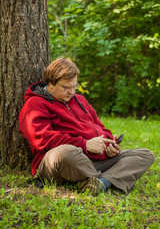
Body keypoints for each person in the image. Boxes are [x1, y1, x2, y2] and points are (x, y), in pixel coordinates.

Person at [19, 57, 155, 194]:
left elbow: (101, 127)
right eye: (66, 87)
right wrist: (85, 144)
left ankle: (101, 183)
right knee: (65, 153)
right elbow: (42, 139)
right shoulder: (35, 104)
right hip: (63, 162)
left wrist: (110, 145)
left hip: (94, 160)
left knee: (145, 155)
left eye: (74, 86)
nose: (71, 92)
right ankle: (109, 179)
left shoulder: (80, 100)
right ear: (51, 83)